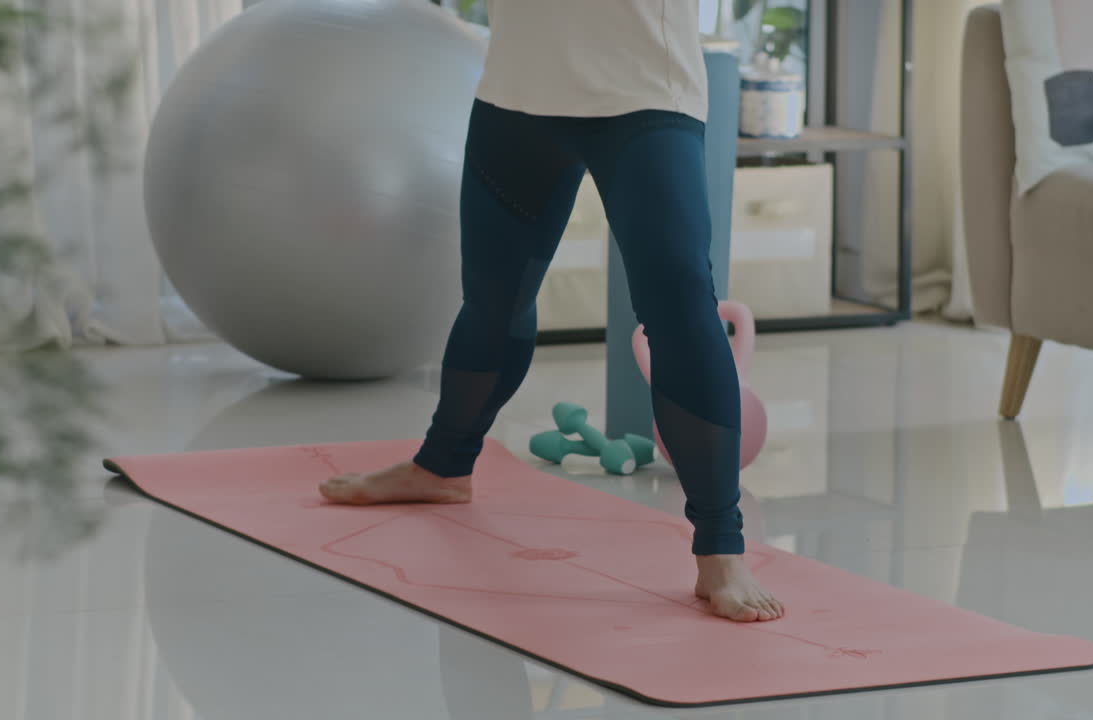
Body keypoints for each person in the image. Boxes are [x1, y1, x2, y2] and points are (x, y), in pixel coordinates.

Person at [320, 0, 783, 623]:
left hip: (645, 97)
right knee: (493, 302)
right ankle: (443, 466)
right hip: (517, 98)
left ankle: (721, 548)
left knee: (679, 311)